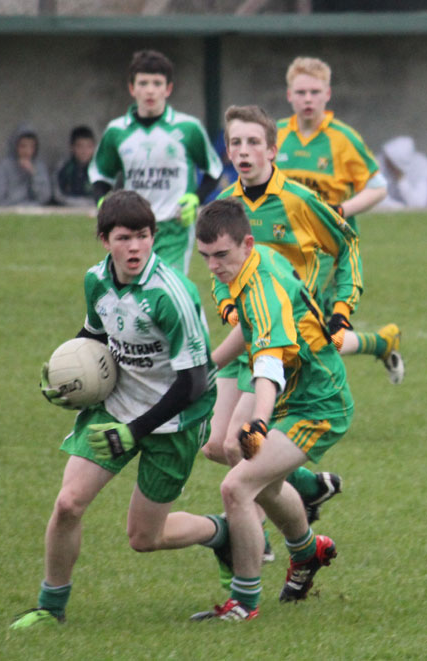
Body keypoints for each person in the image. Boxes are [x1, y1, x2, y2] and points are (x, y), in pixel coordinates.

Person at [9, 190, 239, 630]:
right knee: (69, 504)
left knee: (143, 538)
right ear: (104, 240)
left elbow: (193, 383)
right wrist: (62, 371)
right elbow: (94, 334)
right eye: (124, 237)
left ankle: (221, 533)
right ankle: (50, 607)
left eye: (143, 236)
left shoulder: (171, 294)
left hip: (174, 420)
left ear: (154, 237)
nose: (135, 247)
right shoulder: (96, 280)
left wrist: (136, 430)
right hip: (117, 404)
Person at [191, 198, 352, 621]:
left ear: (246, 243)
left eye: (221, 255)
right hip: (296, 392)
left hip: (318, 404)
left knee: (236, 486)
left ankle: (244, 602)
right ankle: (307, 551)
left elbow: (267, 363)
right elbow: (249, 328)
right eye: (205, 257)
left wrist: (259, 420)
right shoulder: (254, 261)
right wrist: (207, 367)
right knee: (257, 475)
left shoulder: (260, 284)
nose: (213, 266)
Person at [203, 104, 363, 528]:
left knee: (242, 444)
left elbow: (347, 245)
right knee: (215, 445)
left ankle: (256, 540)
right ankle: (308, 487)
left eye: (254, 142)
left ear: (272, 150)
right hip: (246, 334)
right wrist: (228, 304)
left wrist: (343, 309)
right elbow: (219, 270)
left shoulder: (299, 200)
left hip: (284, 339)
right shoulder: (225, 204)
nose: (244, 151)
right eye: (235, 142)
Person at [277, 57, 403, 383]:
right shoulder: (274, 135)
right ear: (289, 95)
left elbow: (378, 187)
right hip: (284, 248)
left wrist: (341, 211)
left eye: (314, 92)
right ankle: (380, 343)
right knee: (302, 332)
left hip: (329, 252)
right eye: (301, 92)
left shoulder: (342, 138)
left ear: (328, 94)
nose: (308, 99)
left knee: (305, 332)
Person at [89, 49, 223, 274]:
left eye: (157, 83)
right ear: (132, 88)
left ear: (168, 88)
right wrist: (103, 202)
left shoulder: (188, 128)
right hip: (132, 228)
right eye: (143, 83)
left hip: (174, 228)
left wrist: (195, 199)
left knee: (168, 290)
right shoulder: (117, 131)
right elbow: (100, 175)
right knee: (135, 293)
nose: (150, 90)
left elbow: (214, 170)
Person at [0, 123, 51, 206]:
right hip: (7, 210)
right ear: (15, 146)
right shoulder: (4, 167)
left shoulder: (39, 167)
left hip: (32, 210)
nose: (27, 151)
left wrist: (34, 174)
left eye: (32, 147)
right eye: (23, 146)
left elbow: (44, 197)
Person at [376, 136, 427, 210]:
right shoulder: (378, 164)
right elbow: (376, 198)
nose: (387, 164)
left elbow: (418, 204)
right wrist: (400, 207)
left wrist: (401, 179)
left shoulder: (422, 167)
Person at [53, 125, 96, 207]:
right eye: (80, 146)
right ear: (72, 147)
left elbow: (105, 194)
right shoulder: (64, 167)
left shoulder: (99, 169)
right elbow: (58, 195)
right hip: (67, 209)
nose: (84, 151)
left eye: (89, 146)